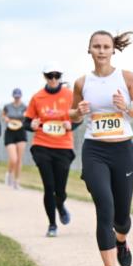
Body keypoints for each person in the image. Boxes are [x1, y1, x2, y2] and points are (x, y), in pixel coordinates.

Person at [71, 30, 133, 266]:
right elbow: (73, 117)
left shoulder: (127, 78)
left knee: (122, 217)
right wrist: (77, 113)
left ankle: (122, 240)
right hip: (95, 151)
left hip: (122, 150)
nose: (102, 50)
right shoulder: (82, 83)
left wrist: (124, 107)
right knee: (104, 208)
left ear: (113, 50)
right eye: (97, 46)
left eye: (106, 46)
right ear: (89, 50)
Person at [26, 69, 76, 237]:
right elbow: (27, 121)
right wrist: (31, 125)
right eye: (50, 76)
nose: (53, 79)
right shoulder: (37, 97)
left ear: (61, 77)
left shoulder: (69, 95)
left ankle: (60, 205)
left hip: (63, 146)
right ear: (45, 77)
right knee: (49, 187)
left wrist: (72, 125)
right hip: (42, 145)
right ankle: (52, 225)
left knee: (60, 190)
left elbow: (78, 118)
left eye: (57, 76)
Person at [2, 88, 28, 189]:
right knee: (13, 158)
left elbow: (28, 118)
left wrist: (25, 117)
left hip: (21, 132)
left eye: (18, 96)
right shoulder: (7, 106)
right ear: (13, 96)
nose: (17, 98)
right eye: (15, 96)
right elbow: (3, 115)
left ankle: (17, 181)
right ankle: (9, 173)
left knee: (19, 159)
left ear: (21, 96)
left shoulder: (25, 107)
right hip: (10, 132)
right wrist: (6, 118)